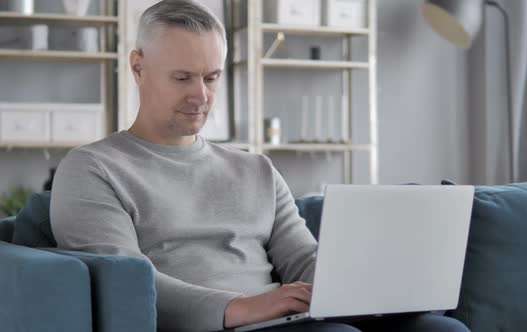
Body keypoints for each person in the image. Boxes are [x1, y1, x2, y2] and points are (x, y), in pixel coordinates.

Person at [49, 1, 469, 332]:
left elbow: (304, 259)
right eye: (182, 78)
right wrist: (240, 307)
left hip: (282, 318)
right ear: (138, 65)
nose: (201, 96)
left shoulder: (257, 170)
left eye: (211, 78)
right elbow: (125, 283)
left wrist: (369, 289)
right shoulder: (92, 169)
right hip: (222, 323)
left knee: (440, 328)